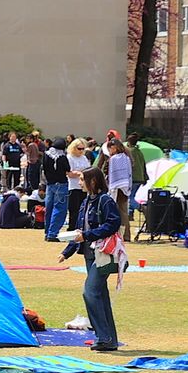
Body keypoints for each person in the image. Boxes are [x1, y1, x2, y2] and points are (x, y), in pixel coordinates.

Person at [60, 168, 123, 352]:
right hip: (90, 254)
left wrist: (88, 235)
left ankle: (103, 336)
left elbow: (113, 224)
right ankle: (108, 339)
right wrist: (67, 251)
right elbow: (79, 231)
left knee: (90, 292)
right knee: (100, 295)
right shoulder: (86, 201)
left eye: (81, 179)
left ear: (93, 181)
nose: (79, 182)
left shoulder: (105, 200)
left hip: (102, 254)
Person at [41, 138, 71, 241]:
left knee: (49, 209)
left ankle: (47, 232)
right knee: (59, 209)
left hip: (50, 184)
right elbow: (67, 169)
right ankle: (53, 233)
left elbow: (43, 169)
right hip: (61, 184)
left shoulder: (46, 155)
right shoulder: (62, 157)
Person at [105, 139, 134, 241]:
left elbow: (111, 174)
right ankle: (126, 235)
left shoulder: (113, 159)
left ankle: (120, 235)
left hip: (116, 187)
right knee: (124, 211)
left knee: (117, 212)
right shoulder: (126, 157)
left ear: (114, 148)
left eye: (110, 148)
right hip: (125, 186)